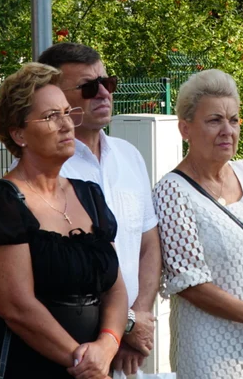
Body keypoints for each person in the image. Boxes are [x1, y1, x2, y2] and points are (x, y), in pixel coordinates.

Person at [0, 62, 129, 379]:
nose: (66, 124)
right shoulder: (2, 201)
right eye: (51, 116)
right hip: (24, 369)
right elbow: (16, 308)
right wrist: (85, 363)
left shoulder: (90, 195)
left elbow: (116, 288)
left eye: (68, 113)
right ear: (19, 133)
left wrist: (108, 345)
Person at [153, 69, 243, 379]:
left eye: (233, 120)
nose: (227, 130)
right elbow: (189, 282)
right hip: (210, 349)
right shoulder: (171, 191)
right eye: (214, 120)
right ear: (185, 128)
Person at [32, 43, 162, 378]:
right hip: (77, 349)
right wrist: (123, 328)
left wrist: (140, 314)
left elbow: (148, 243)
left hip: (131, 348)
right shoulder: (47, 171)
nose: (104, 93)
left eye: (109, 82)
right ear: (55, 97)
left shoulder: (129, 155)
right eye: (89, 87)